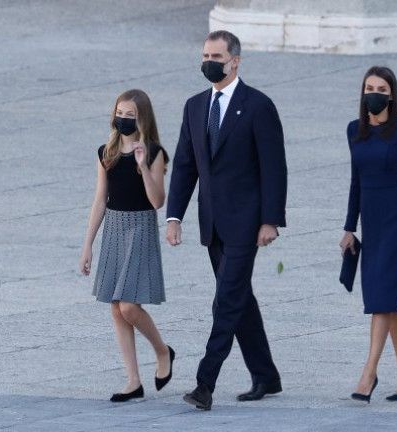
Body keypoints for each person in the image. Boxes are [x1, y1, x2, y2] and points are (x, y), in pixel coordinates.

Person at [165, 30, 287, 411]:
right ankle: (266, 375)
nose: (209, 61)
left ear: (235, 60)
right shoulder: (195, 106)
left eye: (216, 55)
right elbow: (185, 165)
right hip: (212, 223)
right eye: (205, 54)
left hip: (247, 223)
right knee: (238, 299)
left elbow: (274, 168)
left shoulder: (258, 106)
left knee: (226, 300)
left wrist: (271, 220)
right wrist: (174, 216)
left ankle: (205, 382)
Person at [340, 66, 397, 404]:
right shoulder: (355, 130)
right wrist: (350, 227)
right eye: (368, 87)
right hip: (372, 224)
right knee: (391, 300)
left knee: (381, 300)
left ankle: (369, 373)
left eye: (380, 88)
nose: (373, 93)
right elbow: (355, 183)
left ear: (391, 93)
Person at [79, 89, 174, 402]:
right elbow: (99, 200)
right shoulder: (105, 152)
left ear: (142, 118)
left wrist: (143, 165)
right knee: (116, 308)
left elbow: (158, 201)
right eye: (120, 113)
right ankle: (133, 380)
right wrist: (88, 244)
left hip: (140, 229)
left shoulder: (154, 151)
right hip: (114, 231)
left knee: (129, 306)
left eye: (130, 115)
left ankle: (162, 352)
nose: (123, 119)